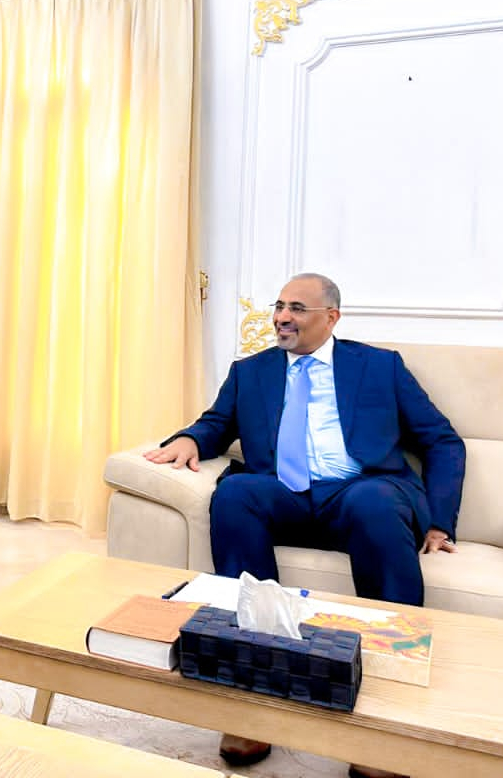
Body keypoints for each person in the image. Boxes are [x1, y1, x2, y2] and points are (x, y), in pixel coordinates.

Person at [145, 273, 463, 778]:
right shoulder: (251, 372)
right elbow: (216, 424)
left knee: (375, 504)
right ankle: (251, 701)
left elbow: (441, 440)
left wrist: (440, 521)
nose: (282, 318)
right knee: (236, 494)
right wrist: (189, 439)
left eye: (296, 308)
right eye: (278, 306)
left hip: (359, 491)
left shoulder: (380, 367)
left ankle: (384, 721)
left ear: (331, 317)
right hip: (285, 494)